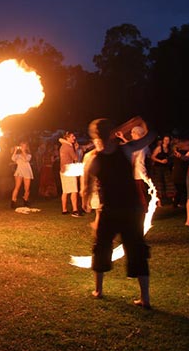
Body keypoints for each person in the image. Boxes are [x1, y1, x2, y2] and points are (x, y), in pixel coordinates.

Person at [81, 118, 155, 309]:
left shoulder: (94, 158)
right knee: (136, 249)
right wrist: (146, 123)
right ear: (112, 132)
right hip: (130, 210)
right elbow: (150, 137)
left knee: (102, 247)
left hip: (111, 210)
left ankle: (98, 290)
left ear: (95, 136)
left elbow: (86, 186)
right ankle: (144, 298)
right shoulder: (125, 149)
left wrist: (86, 203)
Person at [59, 132, 82, 217]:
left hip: (63, 170)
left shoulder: (62, 146)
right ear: (67, 138)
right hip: (69, 170)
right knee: (74, 190)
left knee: (65, 191)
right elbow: (75, 158)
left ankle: (64, 210)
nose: (74, 138)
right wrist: (76, 149)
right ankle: (75, 210)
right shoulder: (68, 147)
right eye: (72, 136)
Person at [11, 141, 34, 208]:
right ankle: (13, 201)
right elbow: (13, 158)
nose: (23, 147)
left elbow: (26, 159)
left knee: (27, 188)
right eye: (22, 146)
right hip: (19, 172)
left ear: (26, 147)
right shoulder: (18, 155)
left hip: (27, 171)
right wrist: (15, 150)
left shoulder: (29, 155)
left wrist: (23, 151)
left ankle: (25, 200)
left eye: (24, 146)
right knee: (17, 187)